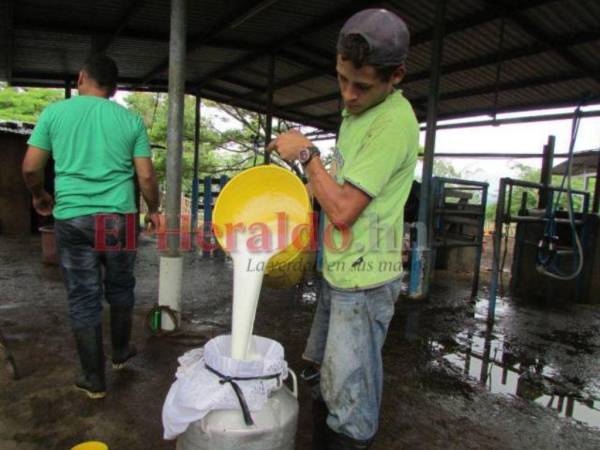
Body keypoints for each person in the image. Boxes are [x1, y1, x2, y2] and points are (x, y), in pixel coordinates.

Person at [268, 9, 418, 449]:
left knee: (352, 401)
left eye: (362, 86)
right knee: (321, 373)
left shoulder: (393, 122)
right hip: (342, 271)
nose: (349, 95)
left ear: (396, 76)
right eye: (342, 79)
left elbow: (343, 210)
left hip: (367, 280)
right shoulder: (360, 114)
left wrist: (307, 155)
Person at [22, 54, 160, 399]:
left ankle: (93, 379)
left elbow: (29, 167)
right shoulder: (130, 121)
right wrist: (154, 209)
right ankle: (120, 352)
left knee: (84, 297)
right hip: (117, 218)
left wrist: (39, 193)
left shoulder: (55, 113)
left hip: (73, 217)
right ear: (114, 89)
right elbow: (145, 175)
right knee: (120, 287)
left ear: (82, 77)